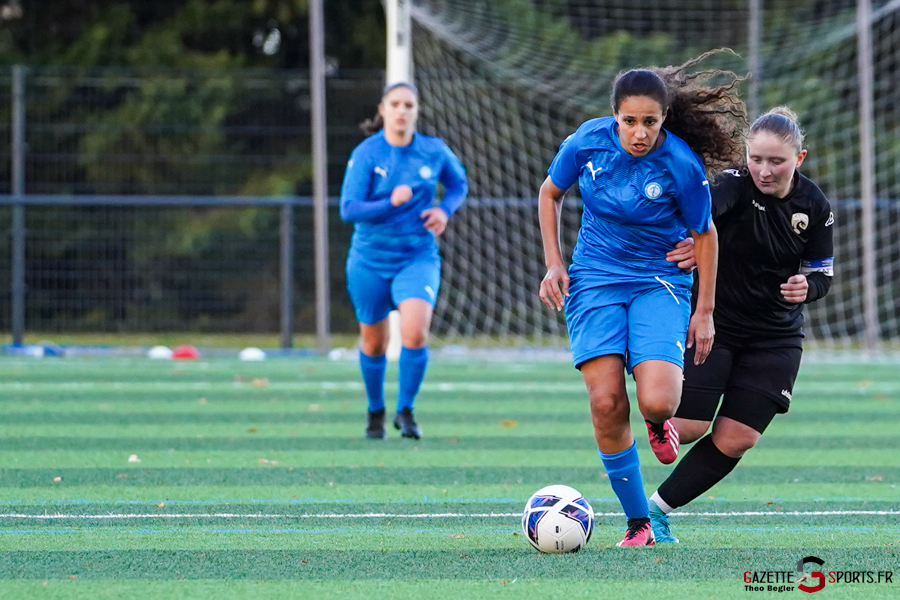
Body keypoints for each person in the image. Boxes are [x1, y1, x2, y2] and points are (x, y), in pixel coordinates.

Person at [538, 51, 747, 547]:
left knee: (659, 399)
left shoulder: (680, 163)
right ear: (615, 117)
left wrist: (705, 312)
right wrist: (554, 263)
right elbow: (550, 193)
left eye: (649, 122)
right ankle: (640, 524)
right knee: (607, 401)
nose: (638, 132)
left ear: (663, 120)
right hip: (595, 279)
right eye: (629, 121)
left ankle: (657, 423)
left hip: (659, 280)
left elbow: (706, 234)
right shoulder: (586, 143)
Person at [649, 107, 835, 543]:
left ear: (799, 159)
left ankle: (656, 513)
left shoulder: (814, 204)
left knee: (738, 438)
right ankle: (650, 400)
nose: (764, 171)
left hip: (777, 338)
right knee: (689, 427)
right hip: (719, 327)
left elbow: (823, 271)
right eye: (756, 159)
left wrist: (807, 287)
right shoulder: (733, 185)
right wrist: (697, 241)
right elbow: (703, 215)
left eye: (777, 161)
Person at [339, 82, 468, 440]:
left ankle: (406, 410)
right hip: (369, 260)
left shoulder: (433, 150)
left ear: (416, 110)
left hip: (417, 256)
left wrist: (443, 210)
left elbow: (459, 185)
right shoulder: (367, 154)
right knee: (374, 343)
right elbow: (348, 209)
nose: (401, 110)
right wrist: (389, 203)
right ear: (382, 109)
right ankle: (375, 411)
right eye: (394, 103)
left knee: (414, 332)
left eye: (408, 104)